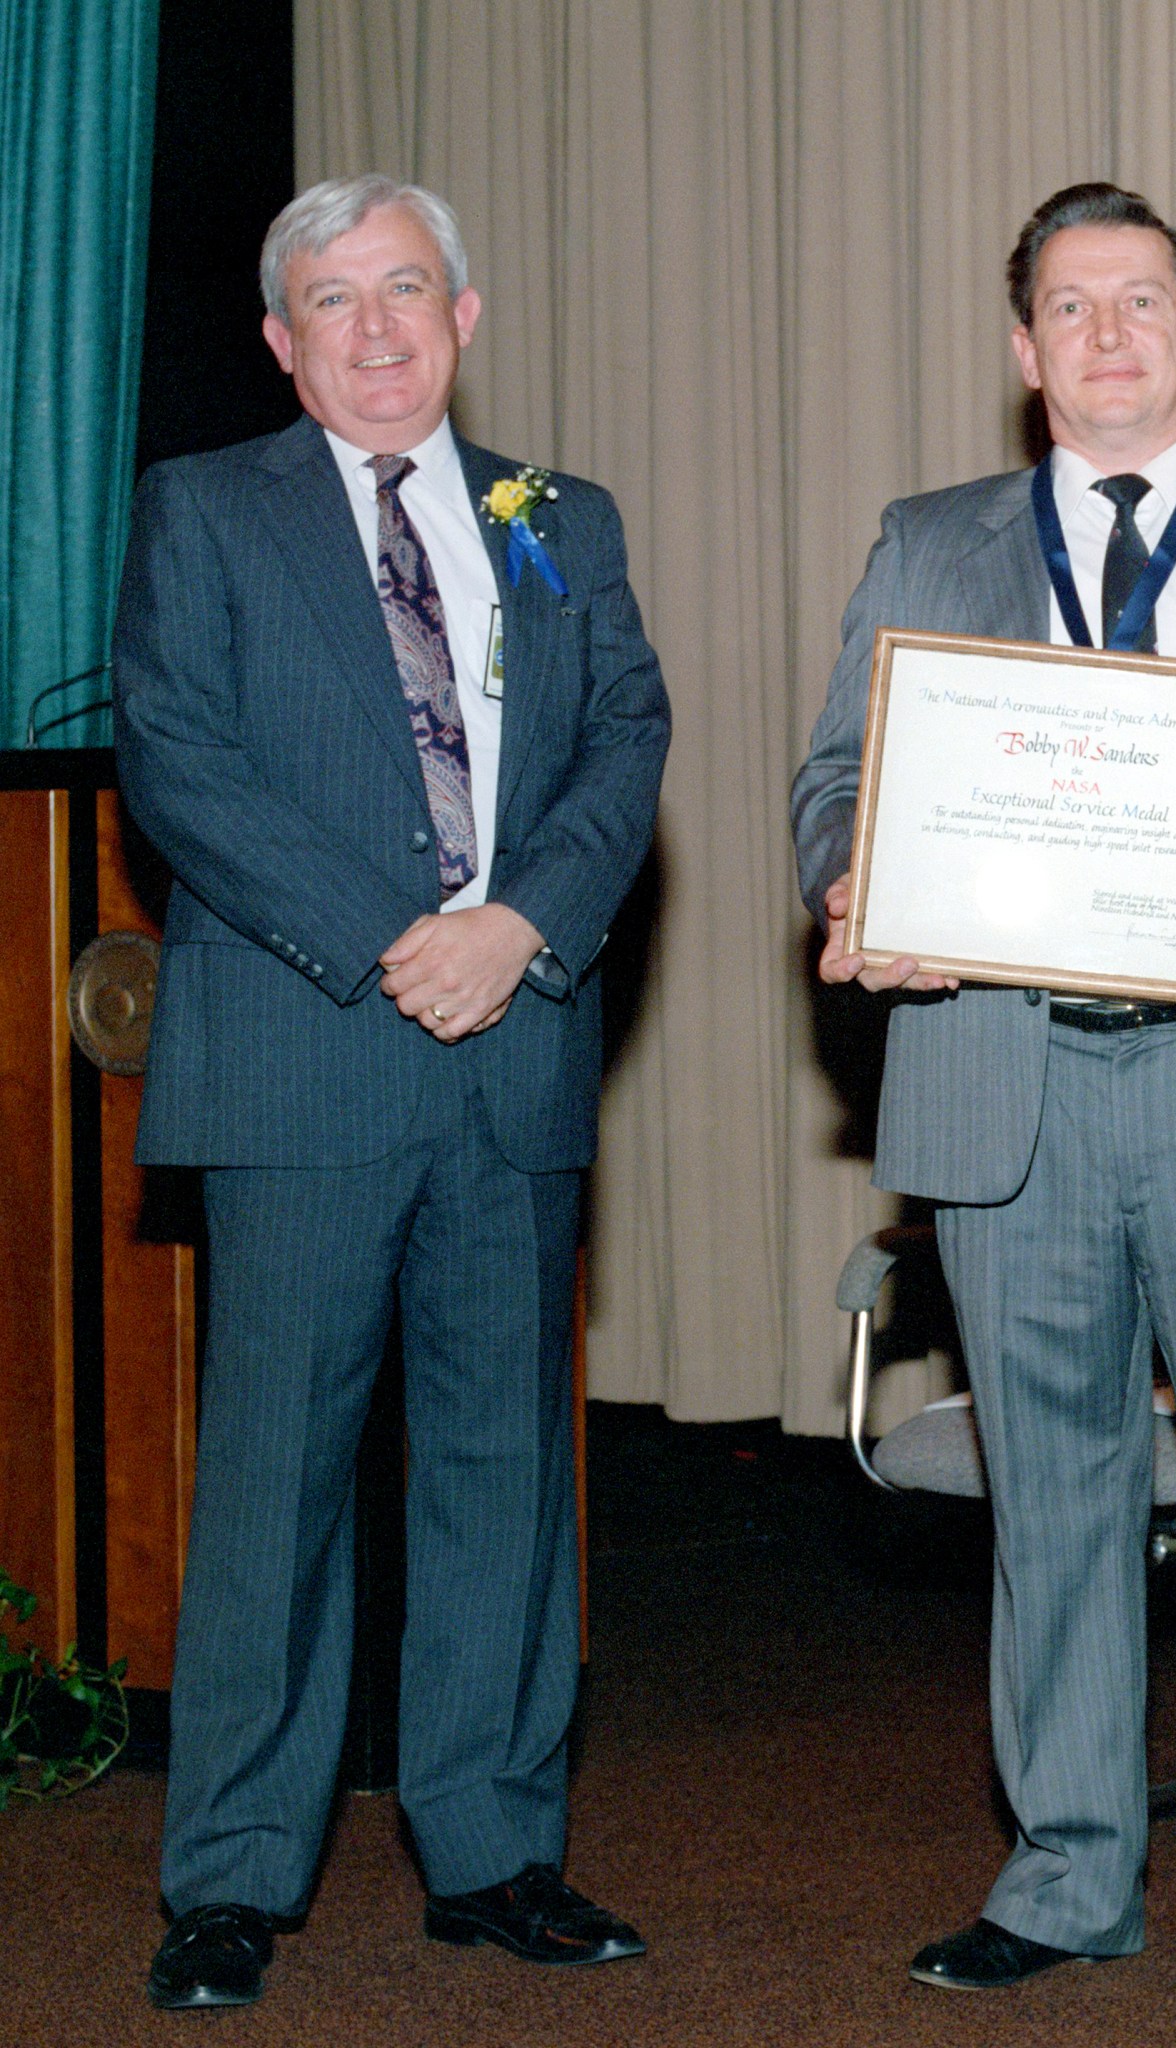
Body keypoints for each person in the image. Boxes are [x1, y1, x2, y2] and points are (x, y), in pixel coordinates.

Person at [792, 182, 1176, 2002]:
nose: (1110, 338)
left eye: (1143, 304)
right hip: (1012, 1074)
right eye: (1071, 309)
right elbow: (839, 772)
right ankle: (1066, 1868)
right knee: (1045, 1491)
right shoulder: (931, 538)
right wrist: (854, 884)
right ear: (1022, 351)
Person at [115, 175, 670, 2010]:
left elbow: (622, 736)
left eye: (404, 289)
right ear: (280, 340)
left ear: (465, 309)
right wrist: (392, 937)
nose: (373, 327)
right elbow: (177, 757)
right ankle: (232, 1878)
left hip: (511, 1042)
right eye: (330, 300)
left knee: (505, 1471)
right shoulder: (204, 510)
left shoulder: (555, 516)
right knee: (274, 1474)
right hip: (304, 1047)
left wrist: (517, 925)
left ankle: (496, 1849)